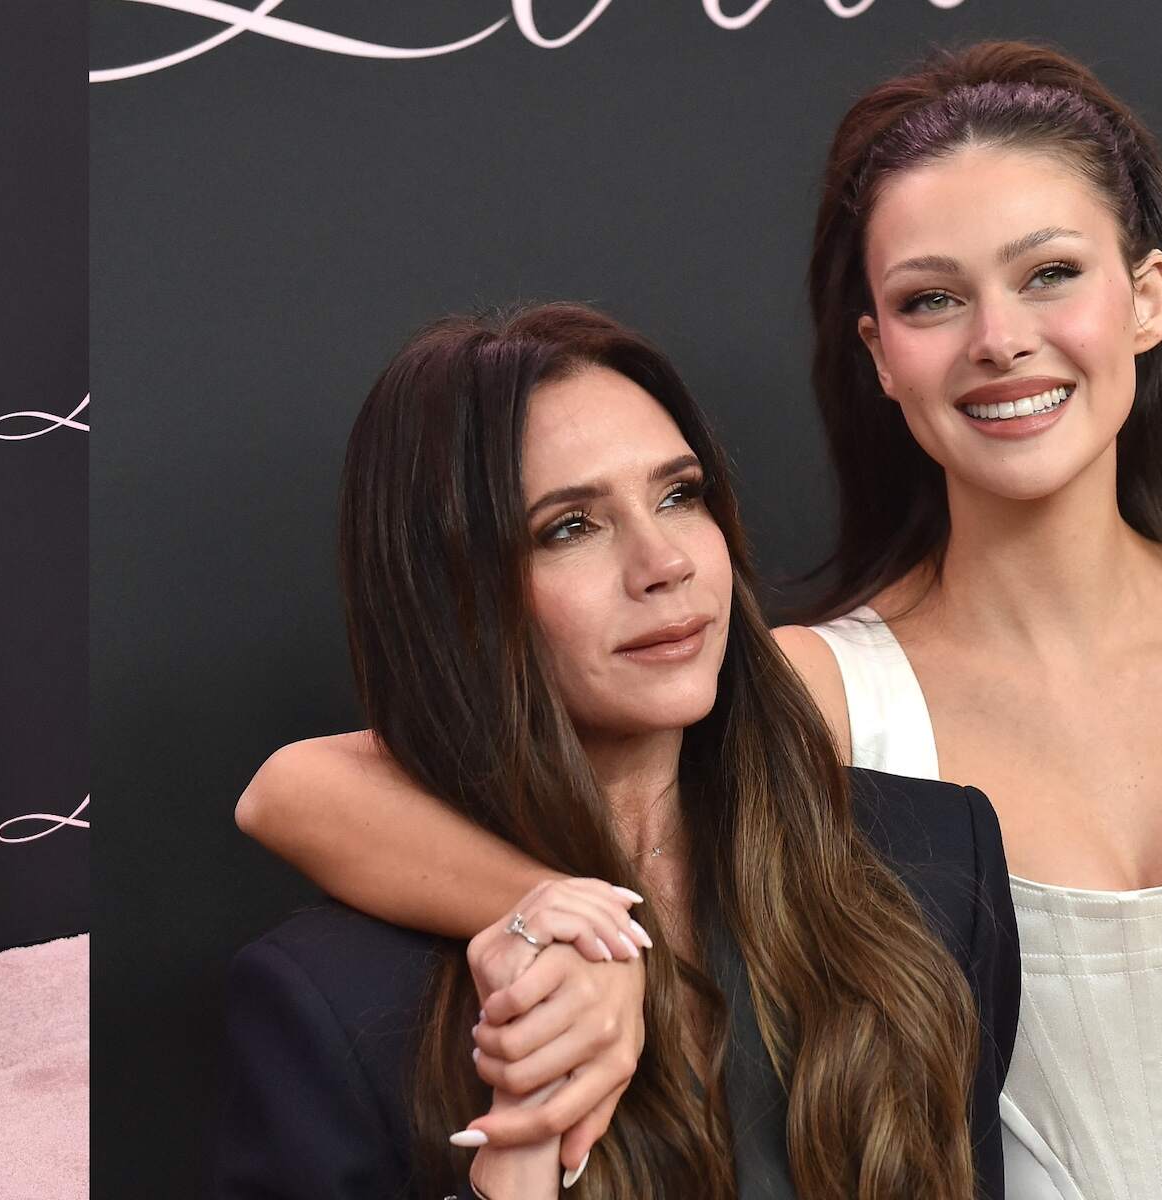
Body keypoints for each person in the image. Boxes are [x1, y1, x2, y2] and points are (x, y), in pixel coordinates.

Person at [234, 42, 1162, 1199]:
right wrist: (540, 917)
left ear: (1149, 297)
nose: (1001, 339)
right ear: (880, 355)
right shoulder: (813, 693)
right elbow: (301, 789)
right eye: (932, 299)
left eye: (1051, 273)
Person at [210, 304, 1017, 1199]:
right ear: (454, 598)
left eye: (679, 495)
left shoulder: (936, 865)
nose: (664, 562)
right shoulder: (337, 999)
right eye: (570, 527)